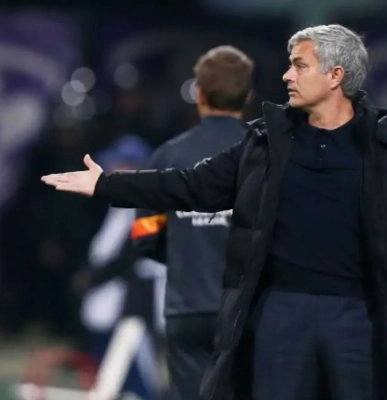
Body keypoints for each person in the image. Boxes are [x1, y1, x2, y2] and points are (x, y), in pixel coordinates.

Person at [41, 24, 387, 400]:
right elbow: (193, 185)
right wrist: (107, 184)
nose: (286, 75)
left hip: (361, 316)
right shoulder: (266, 141)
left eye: (299, 65)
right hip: (280, 313)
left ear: (335, 76)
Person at [130, 46, 253, 400]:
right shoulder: (267, 153)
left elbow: (143, 236)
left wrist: (184, 255)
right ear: (248, 96)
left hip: (187, 308)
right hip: (250, 311)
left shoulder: (167, 157)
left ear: (199, 94)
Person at [73, 135, 161, 400]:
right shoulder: (119, 207)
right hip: (105, 309)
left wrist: (92, 278)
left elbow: (133, 255)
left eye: (117, 166)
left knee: (139, 382)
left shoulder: (150, 208)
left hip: (131, 311)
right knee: (109, 383)